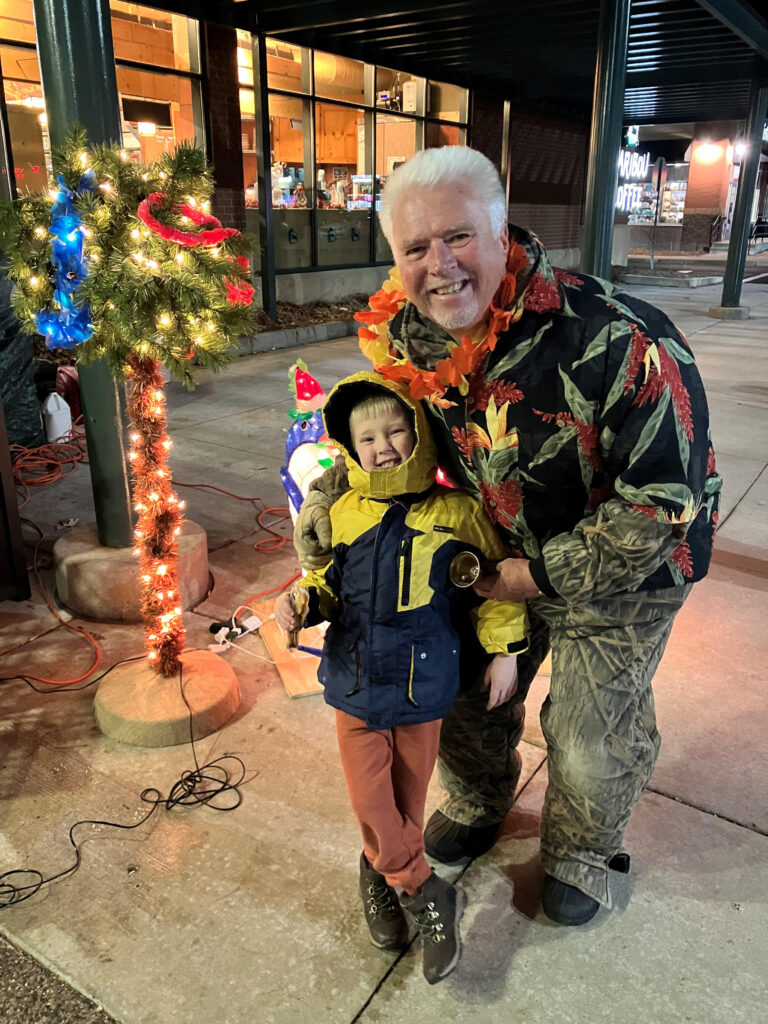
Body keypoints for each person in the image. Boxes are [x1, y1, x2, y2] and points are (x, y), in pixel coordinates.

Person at [294, 146, 723, 927]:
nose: (439, 265)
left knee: (588, 741)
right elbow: (386, 439)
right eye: (415, 248)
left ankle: (583, 846)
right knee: (456, 687)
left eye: (457, 237)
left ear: (501, 232)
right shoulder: (409, 331)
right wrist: (331, 495)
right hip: (486, 552)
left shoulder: (625, 341)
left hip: (626, 573)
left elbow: (663, 507)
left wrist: (534, 578)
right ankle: (485, 793)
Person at [276, 371, 528, 983]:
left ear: (419, 435)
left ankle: (380, 877)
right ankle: (423, 890)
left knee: (406, 808)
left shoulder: (458, 512)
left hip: (423, 685)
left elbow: (495, 586)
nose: (382, 446)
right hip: (356, 681)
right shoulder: (341, 511)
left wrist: (505, 651)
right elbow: (326, 588)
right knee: (372, 802)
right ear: (349, 446)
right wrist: (300, 604)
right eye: (367, 438)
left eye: (396, 431)